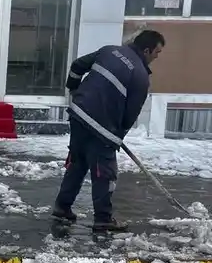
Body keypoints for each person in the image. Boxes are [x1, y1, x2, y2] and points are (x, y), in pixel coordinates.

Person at [52, 29, 165, 232]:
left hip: (78, 114)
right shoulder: (140, 76)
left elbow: (78, 65)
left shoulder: (108, 51)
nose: (157, 57)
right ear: (147, 50)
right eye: (157, 53)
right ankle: (103, 218)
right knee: (104, 173)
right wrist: (117, 137)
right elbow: (130, 115)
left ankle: (62, 207)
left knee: (77, 163)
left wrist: (74, 89)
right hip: (102, 129)